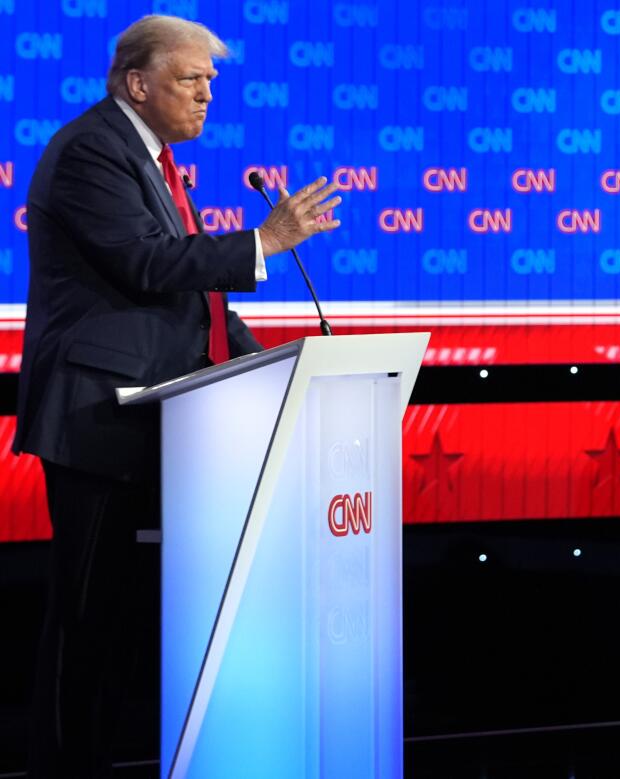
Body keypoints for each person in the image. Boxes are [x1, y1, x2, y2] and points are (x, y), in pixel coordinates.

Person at [13, 15, 342, 775]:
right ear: (138, 83)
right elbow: (146, 263)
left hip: (149, 420)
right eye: (192, 79)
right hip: (98, 421)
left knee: (125, 628)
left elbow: (193, 296)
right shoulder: (93, 150)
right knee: (85, 624)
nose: (207, 94)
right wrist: (264, 242)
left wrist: (281, 364)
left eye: (211, 81)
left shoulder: (152, 160)